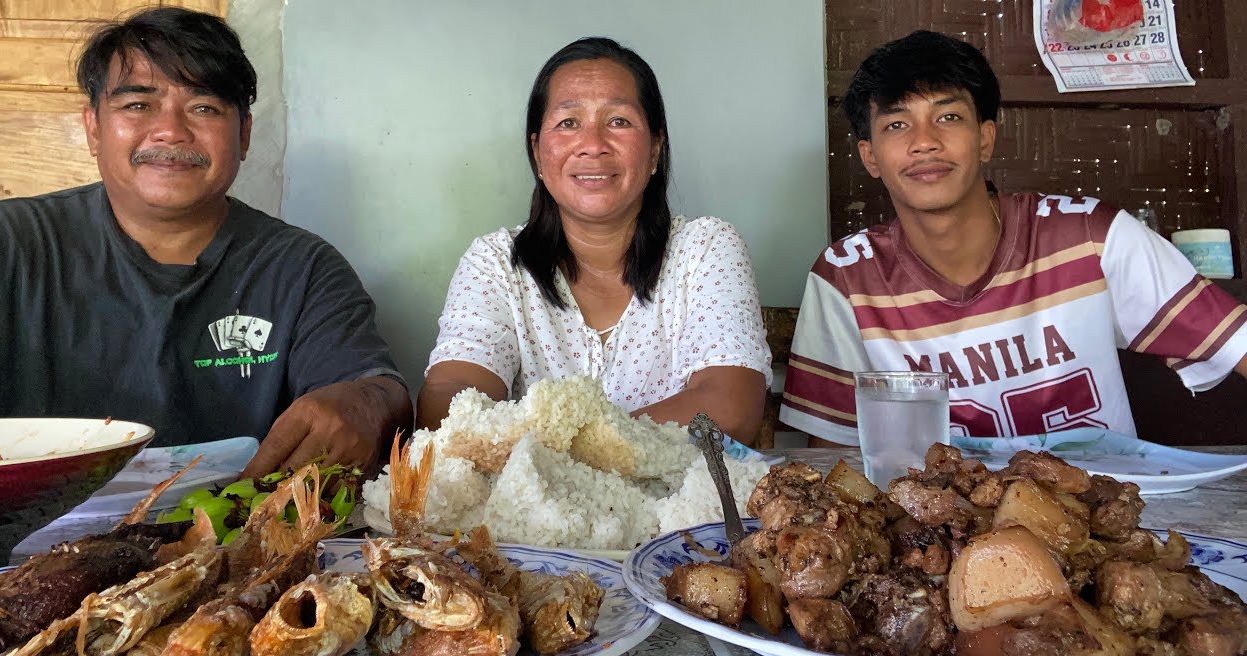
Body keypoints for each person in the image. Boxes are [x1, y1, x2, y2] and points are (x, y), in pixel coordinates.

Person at [0, 7, 412, 476]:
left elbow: (379, 390)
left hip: (233, 544)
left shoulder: (301, 267)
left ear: (243, 135)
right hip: (18, 543)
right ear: (94, 128)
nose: (171, 131)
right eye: (138, 104)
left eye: (204, 108)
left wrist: (368, 403)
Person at [781, 30, 1247, 446]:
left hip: (1097, 527)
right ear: (870, 157)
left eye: (947, 117)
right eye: (897, 125)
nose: (924, 142)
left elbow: (1237, 344)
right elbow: (834, 459)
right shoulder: (846, 277)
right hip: (933, 536)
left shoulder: (1091, 238)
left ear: (985, 139)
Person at [419, 37, 771, 444]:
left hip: (688, 509)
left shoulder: (705, 249)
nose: (593, 145)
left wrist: (564, 450)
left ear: (655, 148)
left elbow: (731, 409)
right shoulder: (496, 263)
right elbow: (450, 407)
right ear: (537, 151)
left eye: (618, 121)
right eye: (568, 123)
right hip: (536, 510)